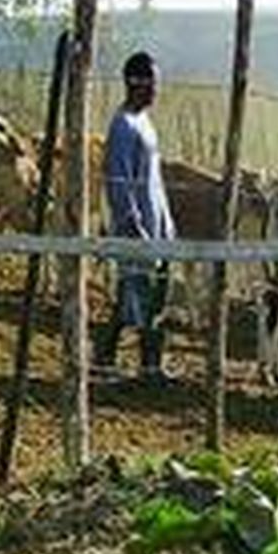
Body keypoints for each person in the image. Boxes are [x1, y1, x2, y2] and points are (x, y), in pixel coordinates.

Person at [95, 51, 176, 383]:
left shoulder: (144, 122)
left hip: (157, 227)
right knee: (139, 294)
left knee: (145, 294)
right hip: (138, 229)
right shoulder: (123, 127)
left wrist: (166, 224)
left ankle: (107, 357)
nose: (157, 90)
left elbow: (153, 180)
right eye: (153, 82)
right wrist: (133, 226)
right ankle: (148, 366)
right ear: (136, 83)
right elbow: (119, 182)